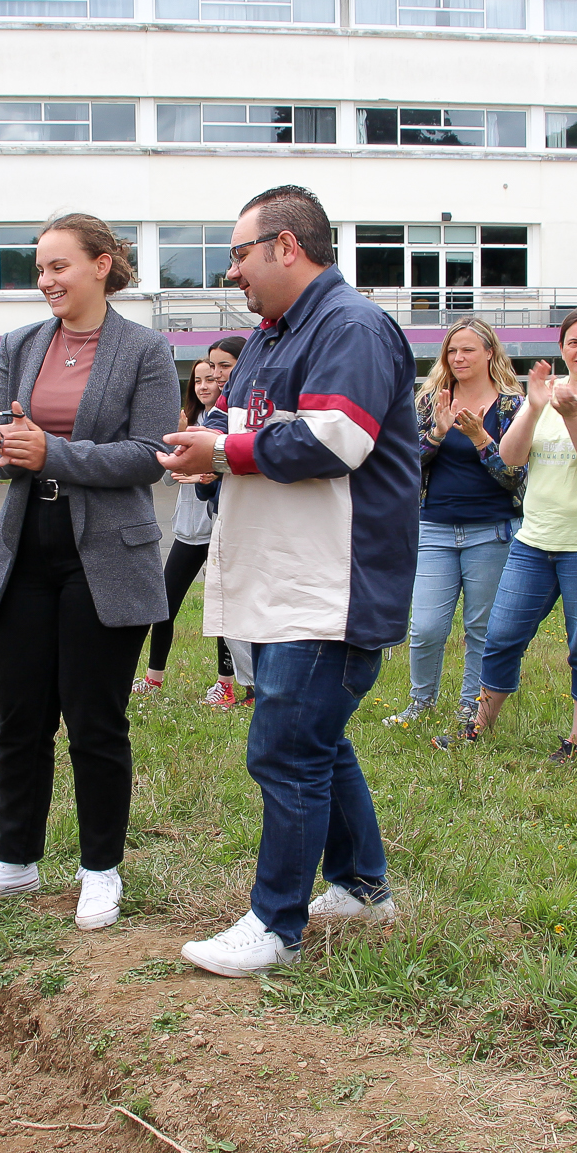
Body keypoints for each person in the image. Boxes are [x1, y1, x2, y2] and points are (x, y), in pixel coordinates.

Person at [156, 185, 420, 976]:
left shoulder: (353, 326)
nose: (230, 271)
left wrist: (225, 452)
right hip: (284, 579)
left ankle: (276, 924)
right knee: (316, 741)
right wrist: (200, 443)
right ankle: (364, 886)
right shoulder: (268, 338)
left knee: (284, 750)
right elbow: (239, 427)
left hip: (332, 586)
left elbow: (335, 438)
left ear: (287, 247)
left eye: (238, 254)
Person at [0, 215, 178, 935]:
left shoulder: (145, 349)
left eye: (58, 266)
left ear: (103, 265)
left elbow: (148, 455)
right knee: (19, 714)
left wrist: (53, 454)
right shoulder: (21, 344)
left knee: (95, 720)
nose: (45, 280)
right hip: (27, 544)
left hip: (107, 552)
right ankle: (16, 857)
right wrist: (6, 451)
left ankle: (100, 869)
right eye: (39, 269)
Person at [442, 308, 577, 760]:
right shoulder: (545, 393)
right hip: (535, 541)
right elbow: (510, 458)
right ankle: (479, 726)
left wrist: (571, 414)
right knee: (502, 635)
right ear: (562, 348)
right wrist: (534, 407)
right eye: (574, 342)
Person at [384, 316, 525, 729]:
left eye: (468, 349)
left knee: (481, 629)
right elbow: (404, 464)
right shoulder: (429, 402)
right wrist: (437, 435)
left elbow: (514, 476)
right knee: (426, 626)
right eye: (452, 350)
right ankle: (420, 702)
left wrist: (482, 439)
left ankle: (470, 706)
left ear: (489, 353)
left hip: (492, 530)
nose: (458, 357)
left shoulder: (510, 406)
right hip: (434, 529)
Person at [132, 359, 244, 704]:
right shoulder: (189, 425)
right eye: (198, 380)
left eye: (212, 378)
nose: (205, 386)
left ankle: (226, 684)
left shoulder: (227, 428)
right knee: (164, 603)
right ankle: (154, 679)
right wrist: (176, 444)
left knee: (220, 611)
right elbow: (168, 476)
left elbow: (220, 475)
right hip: (188, 531)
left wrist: (206, 474)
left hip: (219, 530)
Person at [198, 335, 256, 706]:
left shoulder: (252, 400)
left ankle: (258, 686)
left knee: (249, 604)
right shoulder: (219, 407)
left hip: (254, 518)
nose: (217, 374)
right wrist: (209, 473)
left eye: (225, 366)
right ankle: (249, 686)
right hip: (223, 515)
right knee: (227, 604)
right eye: (212, 366)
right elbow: (209, 484)